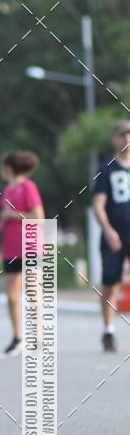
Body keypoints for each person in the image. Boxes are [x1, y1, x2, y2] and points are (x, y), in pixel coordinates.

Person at [0, 150, 44, 355]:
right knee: (11, 296)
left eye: (3, 166)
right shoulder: (7, 190)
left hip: (30, 246)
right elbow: (5, 221)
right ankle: (17, 336)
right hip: (10, 248)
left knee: (33, 292)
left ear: (8, 168)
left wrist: (13, 214)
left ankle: (37, 335)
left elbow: (38, 217)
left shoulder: (28, 187)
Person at [92, 121, 130, 353]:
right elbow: (98, 204)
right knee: (110, 283)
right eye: (122, 135)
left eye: (129, 135)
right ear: (115, 139)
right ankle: (108, 330)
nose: (127, 139)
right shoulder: (106, 168)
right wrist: (107, 229)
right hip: (115, 235)